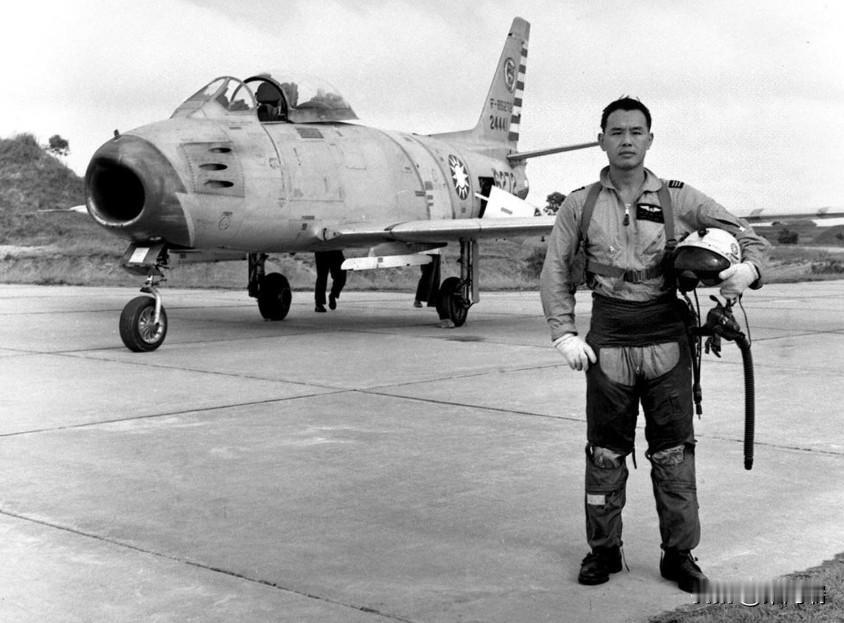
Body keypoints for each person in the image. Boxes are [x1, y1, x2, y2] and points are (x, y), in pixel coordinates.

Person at [539, 97, 769, 592]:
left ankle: (679, 555)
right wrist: (563, 333)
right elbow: (555, 269)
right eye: (616, 132)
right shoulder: (579, 205)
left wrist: (749, 269)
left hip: (666, 338)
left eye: (635, 131)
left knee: (673, 453)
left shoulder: (679, 199)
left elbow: (746, 235)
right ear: (601, 140)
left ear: (649, 139)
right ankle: (603, 550)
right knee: (604, 453)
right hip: (608, 339)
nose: (626, 140)